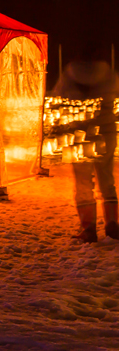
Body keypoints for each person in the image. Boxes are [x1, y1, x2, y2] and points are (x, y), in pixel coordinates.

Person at [52, 41, 119, 243]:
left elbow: (58, 98)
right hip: (106, 133)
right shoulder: (109, 76)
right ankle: (113, 225)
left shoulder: (69, 75)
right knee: (106, 179)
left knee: (83, 183)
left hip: (79, 135)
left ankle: (89, 229)